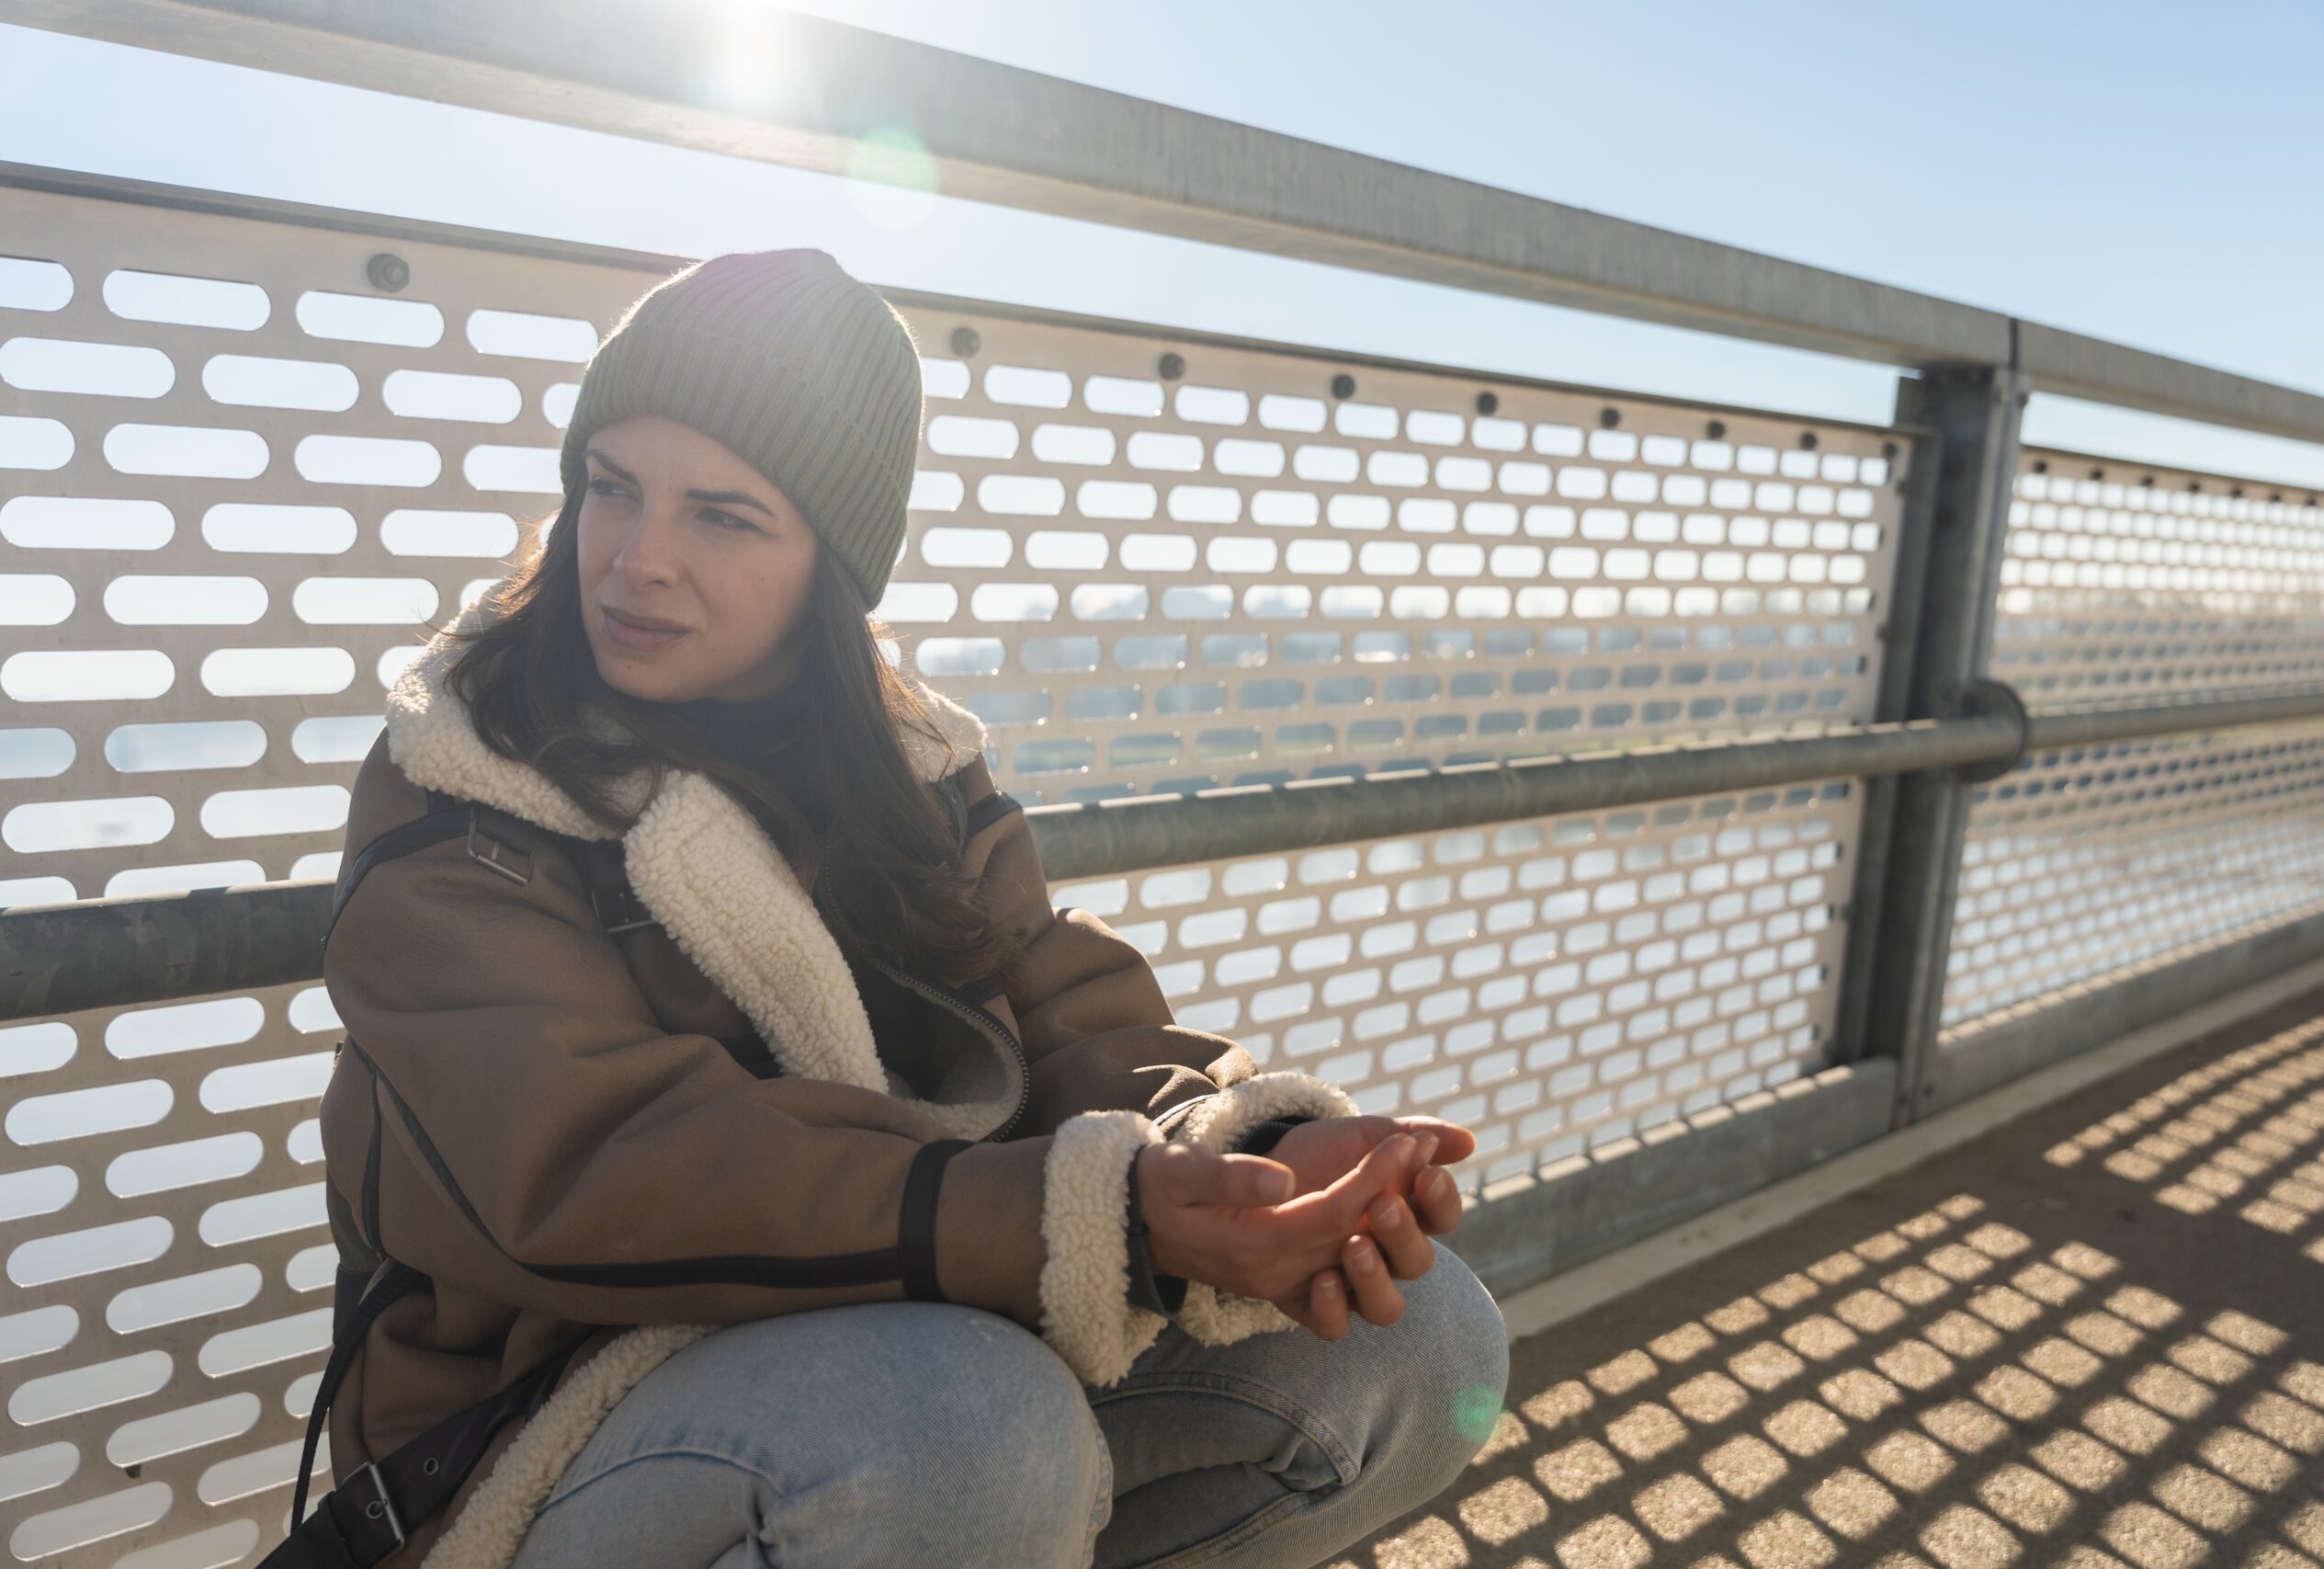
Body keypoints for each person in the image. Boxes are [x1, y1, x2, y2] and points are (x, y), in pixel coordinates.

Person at [297, 249, 1510, 1569]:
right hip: (542, 1430)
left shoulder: (914, 770)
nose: (637, 561)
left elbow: (1066, 1025)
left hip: (908, 1342)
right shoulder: (463, 776)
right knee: (963, 1425)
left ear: (832, 562)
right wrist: (1093, 1218)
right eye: (611, 486)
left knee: (1419, 1338)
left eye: (724, 516)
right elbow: (592, 1164)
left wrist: (1244, 1158)